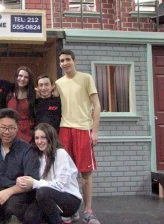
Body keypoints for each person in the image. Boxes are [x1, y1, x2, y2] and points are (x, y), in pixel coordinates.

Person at [55, 49, 101, 224]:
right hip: (64, 130)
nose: (65, 63)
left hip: (83, 129)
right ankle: (71, 209)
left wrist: (94, 131)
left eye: (67, 59)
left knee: (86, 174)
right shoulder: (58, 83)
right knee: (67, 173)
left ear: (75, 60)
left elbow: (96, 105)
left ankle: (88, 211)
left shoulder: (86, 78)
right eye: (61, 61)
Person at [17, 123, 82, 224]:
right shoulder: (39, 156)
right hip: (46, 197)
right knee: (30, 217)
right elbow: (34, 178)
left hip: (69, 200)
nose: (39, 141)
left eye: (43, 137)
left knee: (42, 192)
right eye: (37, 138)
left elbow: (61, 185)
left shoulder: (60, 153)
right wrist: (21, 180)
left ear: (50, 137)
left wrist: (34, 183)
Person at [7, 66, 36, 143]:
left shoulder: (35, 95)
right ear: (16, 77)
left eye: (26, 77)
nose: (22, 79)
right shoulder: (9, 94)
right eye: (20, 76)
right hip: (11, 133)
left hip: (28, 135)